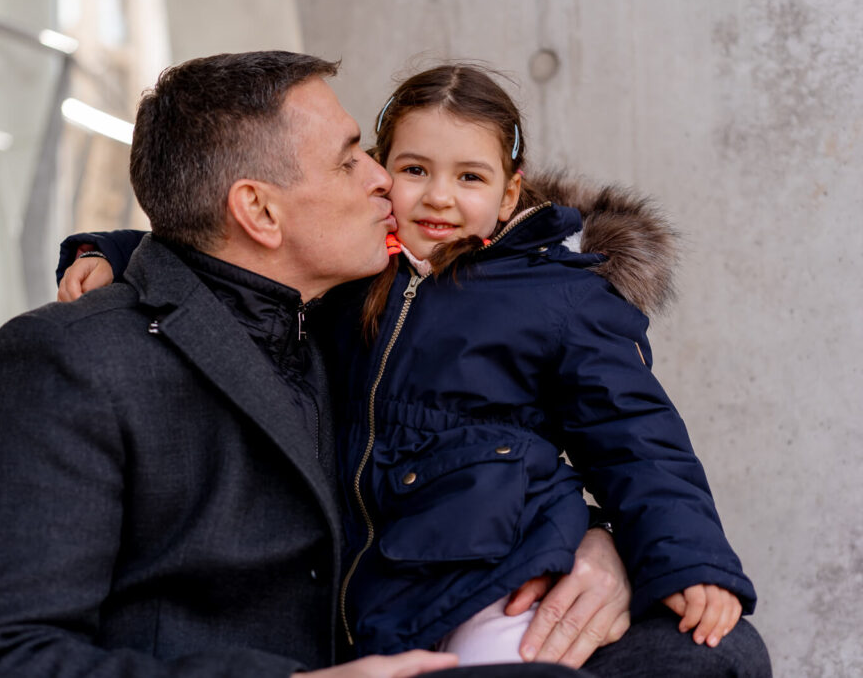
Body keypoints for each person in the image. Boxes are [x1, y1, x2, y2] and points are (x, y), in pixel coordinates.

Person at [55, 63, 771, 676]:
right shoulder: (354, 278)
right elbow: (218, 248)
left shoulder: (558, 295)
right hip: (384, 577)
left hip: (504, 574)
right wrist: (111, 254)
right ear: (378, 172)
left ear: (510, 193)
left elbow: (639, 436)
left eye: (470, 176)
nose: (438, 196)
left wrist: (689, 561)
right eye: (414, 169)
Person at [0, 51, 621, 678]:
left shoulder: (351, 326)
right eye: (352, 160)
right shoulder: (69, 360)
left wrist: (588, 541)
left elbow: (464, 454)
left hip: (416, 634)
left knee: (710, 651)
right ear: (259, 210)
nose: (387, 179)